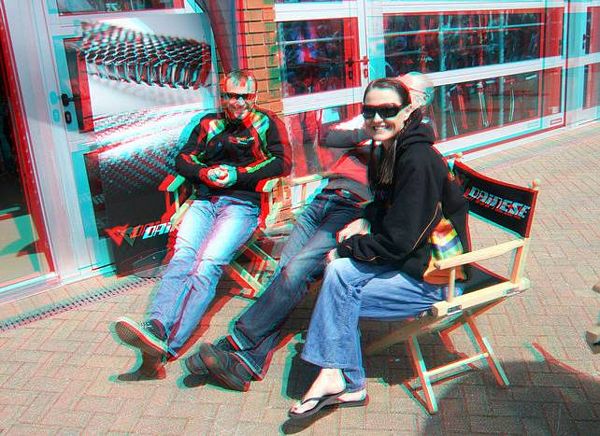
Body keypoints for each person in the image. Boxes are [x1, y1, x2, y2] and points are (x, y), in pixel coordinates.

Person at [182, 73, 436, 393]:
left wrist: (372, 139)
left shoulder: (416, 141)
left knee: (296, 271)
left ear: (418, 102)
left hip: (353, 208)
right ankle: (247, 363)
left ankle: (238, 341)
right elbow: (329, 136)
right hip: (325, 197)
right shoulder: (376, 122)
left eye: (404, 93)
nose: (383, 109)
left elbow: (397, 191)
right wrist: (367, 129)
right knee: (285, 274)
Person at [287, 77, 469, 419]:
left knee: (337, 288)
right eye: (369, 111)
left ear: (408, 111)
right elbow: (388, 207)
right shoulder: (390, 148)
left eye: (387, 110)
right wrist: (366, 217)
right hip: (414, 259)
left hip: (436, 275)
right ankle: (337, 377)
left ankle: (341, 378)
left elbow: (399, 240)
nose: (376, 118)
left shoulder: (417, 160)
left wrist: (348, 248)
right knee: (337, 277)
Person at [111, 70, 291, 379]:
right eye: (231, 96)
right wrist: (204, 174)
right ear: (223, 96)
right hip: (205, 201)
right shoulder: (208, 122)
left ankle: (165, 349)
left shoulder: (267, 123)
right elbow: (183, 159)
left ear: (254, 97)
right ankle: (157, 327)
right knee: (183, 258)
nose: (238, 103)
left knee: (207, 265)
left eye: (244, 97)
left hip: (242, 205)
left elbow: (282, 162)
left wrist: (238, 175)